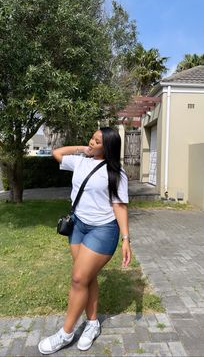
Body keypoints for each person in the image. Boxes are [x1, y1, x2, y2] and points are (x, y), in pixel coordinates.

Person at [38, 127, 132, 355]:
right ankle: (92, 324)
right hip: (78, 226)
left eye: (97, 141)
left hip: (103, 230)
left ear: (108, 147)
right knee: (87, 279)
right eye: (92, 137)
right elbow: (57, 153)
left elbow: (119, 206)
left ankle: (66, 333)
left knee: (79, 278)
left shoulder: (116, 173)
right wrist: (85, 148)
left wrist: (126, 239)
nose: (91, 142)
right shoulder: (80, 161)